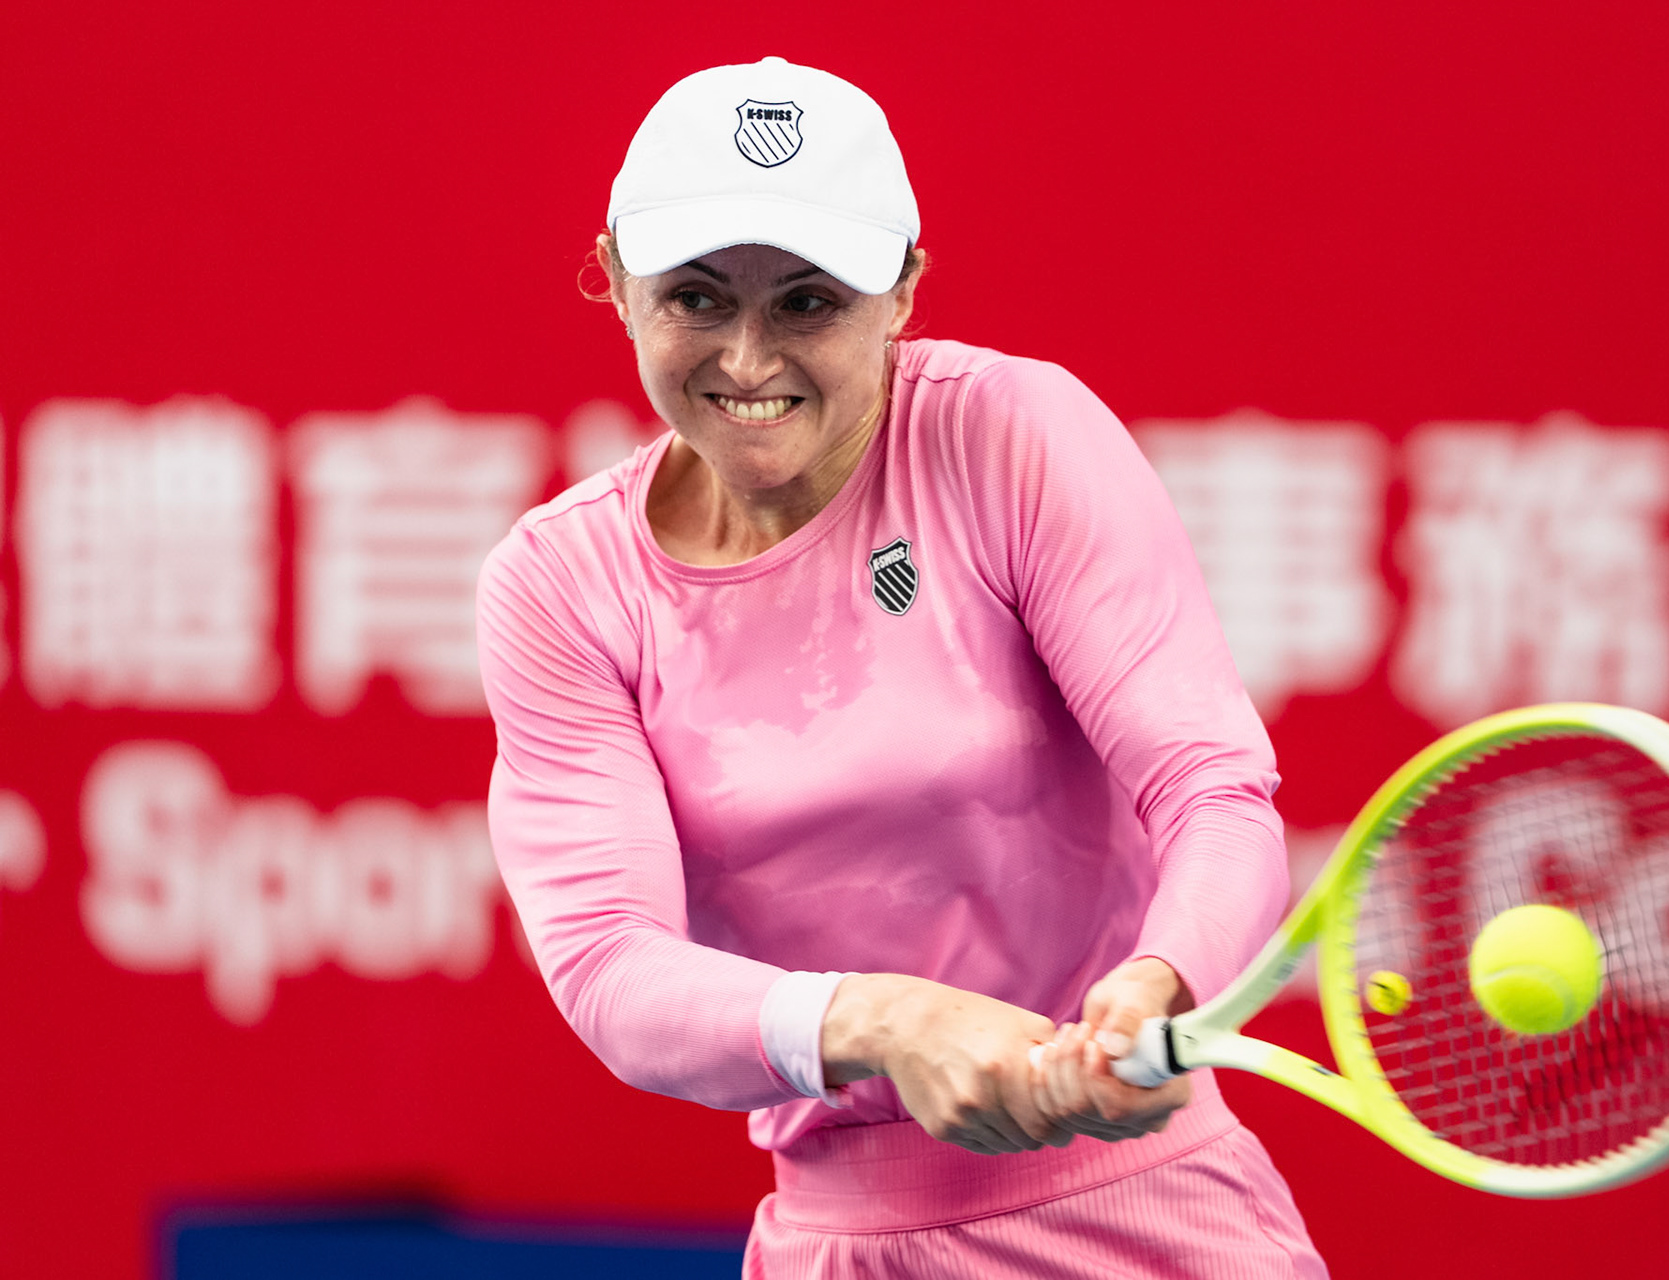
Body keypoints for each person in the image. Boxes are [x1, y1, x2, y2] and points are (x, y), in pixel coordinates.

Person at [477, 56, 1328, 1278]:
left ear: (905, 291)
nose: (749, 360)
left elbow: (1212, 790)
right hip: (839, 1239)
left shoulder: (1012, 437)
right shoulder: (560, 584)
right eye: (698, 299)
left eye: (809, 303)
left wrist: (1158, 981)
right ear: (614, 279)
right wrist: (880, 1019)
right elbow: (614, 966)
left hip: (1151, 1211)